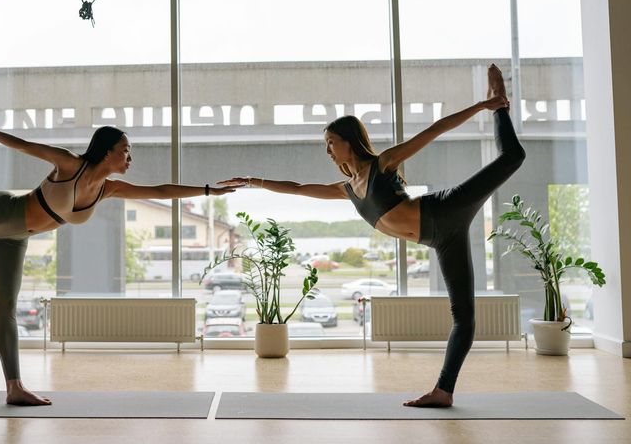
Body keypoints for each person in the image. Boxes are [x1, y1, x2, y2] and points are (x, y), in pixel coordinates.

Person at [219, 64, 525, 407]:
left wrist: (483, 107)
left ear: (349, 143)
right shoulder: (347, 189)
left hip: (445, 209)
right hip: (441, 239)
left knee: (514, 156)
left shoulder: (383, 164)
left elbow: (434, 130)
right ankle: (443, 391)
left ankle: (499, 103)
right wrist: (253, 181)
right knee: (464, 317)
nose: (328, 150)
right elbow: (298, 188)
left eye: (331, 143)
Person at [0, 99, 236, 406]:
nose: (130, 157)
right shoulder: (69, 164)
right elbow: (25, 146)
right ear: (106, 151)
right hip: (1, 213)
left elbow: (161, 190)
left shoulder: (109, 189)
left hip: (15, 237)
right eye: (125, 150)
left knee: (5, 307)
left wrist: (208, 190)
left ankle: (14, 388)